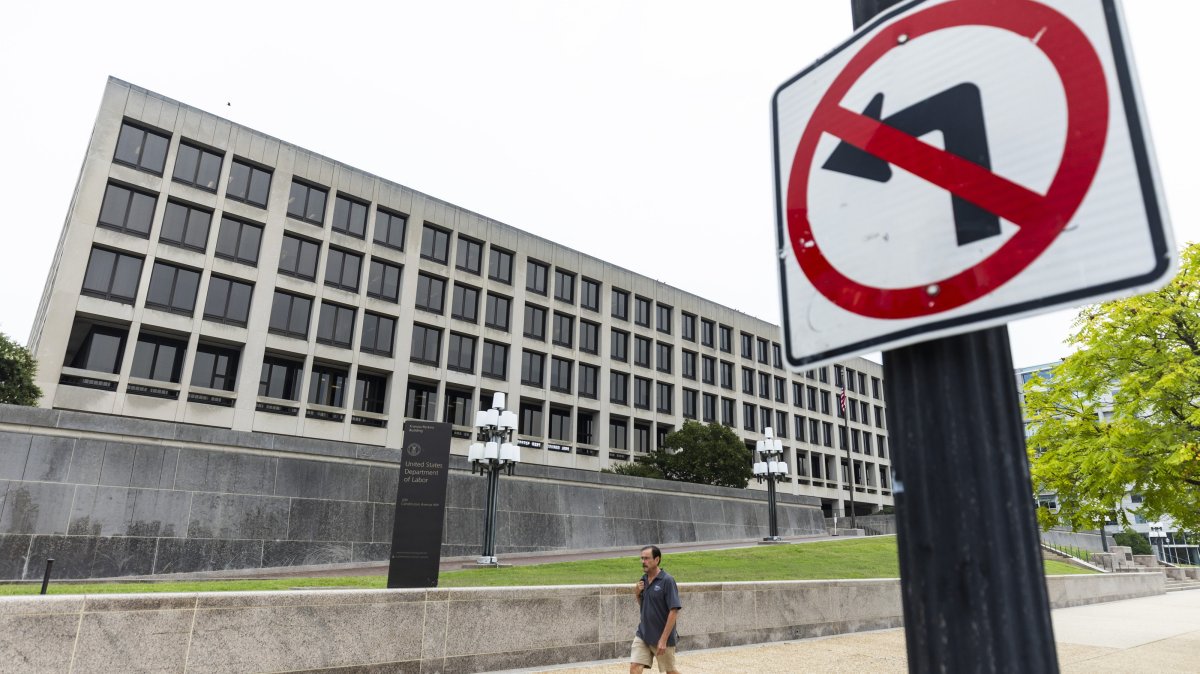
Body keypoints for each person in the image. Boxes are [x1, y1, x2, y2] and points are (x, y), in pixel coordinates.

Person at [630, 545, 682, 674]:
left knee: (670, 671)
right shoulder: (643, 580)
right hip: (643, 634)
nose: (643, 561)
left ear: (657, 559)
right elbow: (644, 605)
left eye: (647, 558)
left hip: (662, 637)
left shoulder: (667, 581)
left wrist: (663, 640)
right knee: (634, 667)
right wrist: (637, 593)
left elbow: (674, 611)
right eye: (642, 558)